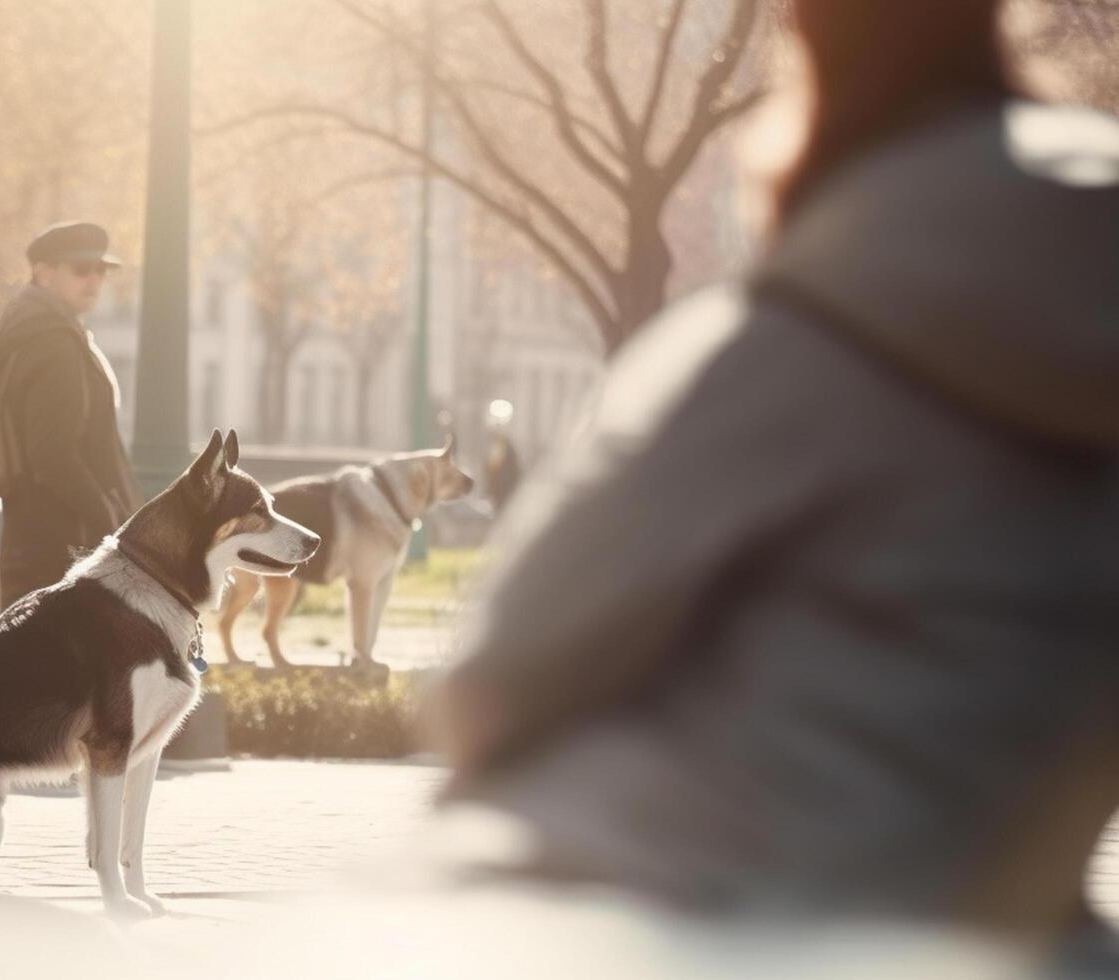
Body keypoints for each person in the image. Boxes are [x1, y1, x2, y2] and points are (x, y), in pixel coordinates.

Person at [436, 0, 1119, 942]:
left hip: (636, 909)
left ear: (811, 59)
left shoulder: (781, 346)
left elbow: (487, 683)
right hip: (986, 923)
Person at [0, 221, 141, 605]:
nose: (93, 280)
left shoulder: (44, 333)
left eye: (100, 271)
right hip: (64, 548)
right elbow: (51, 455)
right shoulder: (54, 344)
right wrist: (108, 520)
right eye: (80, 269)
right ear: (42, 272)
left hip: (44, 541)